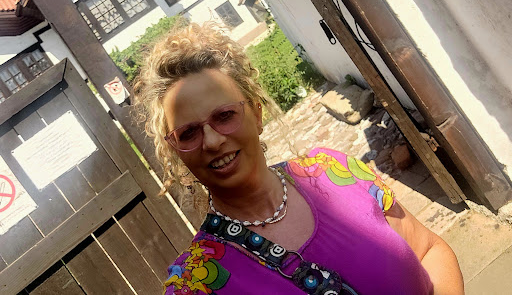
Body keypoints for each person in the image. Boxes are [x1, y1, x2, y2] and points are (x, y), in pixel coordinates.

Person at [134, 21, 464, 295]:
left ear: (257, 114)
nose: (212, 140)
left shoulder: (334, 171)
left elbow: (428, 250)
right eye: (188, 133)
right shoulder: (195, 284)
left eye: (224, 115)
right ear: (176, 151)